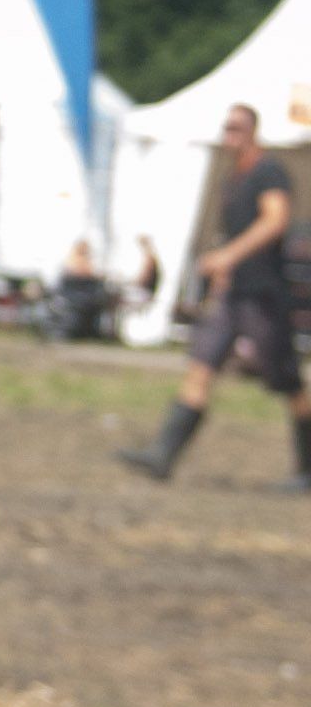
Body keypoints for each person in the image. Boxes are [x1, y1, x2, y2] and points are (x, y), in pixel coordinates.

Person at [119, 103, 311, 488]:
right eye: (226, 128)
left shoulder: (268, 172)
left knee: (288, 383)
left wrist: (229, 255)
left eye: (236, 128)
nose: (229, 135)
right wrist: (223, 273)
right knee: (201, 365)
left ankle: (308, 469)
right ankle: (162, 455)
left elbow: (275, 220)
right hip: (234, 295)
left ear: (252, 131)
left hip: (264, 297)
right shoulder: (234, 178)